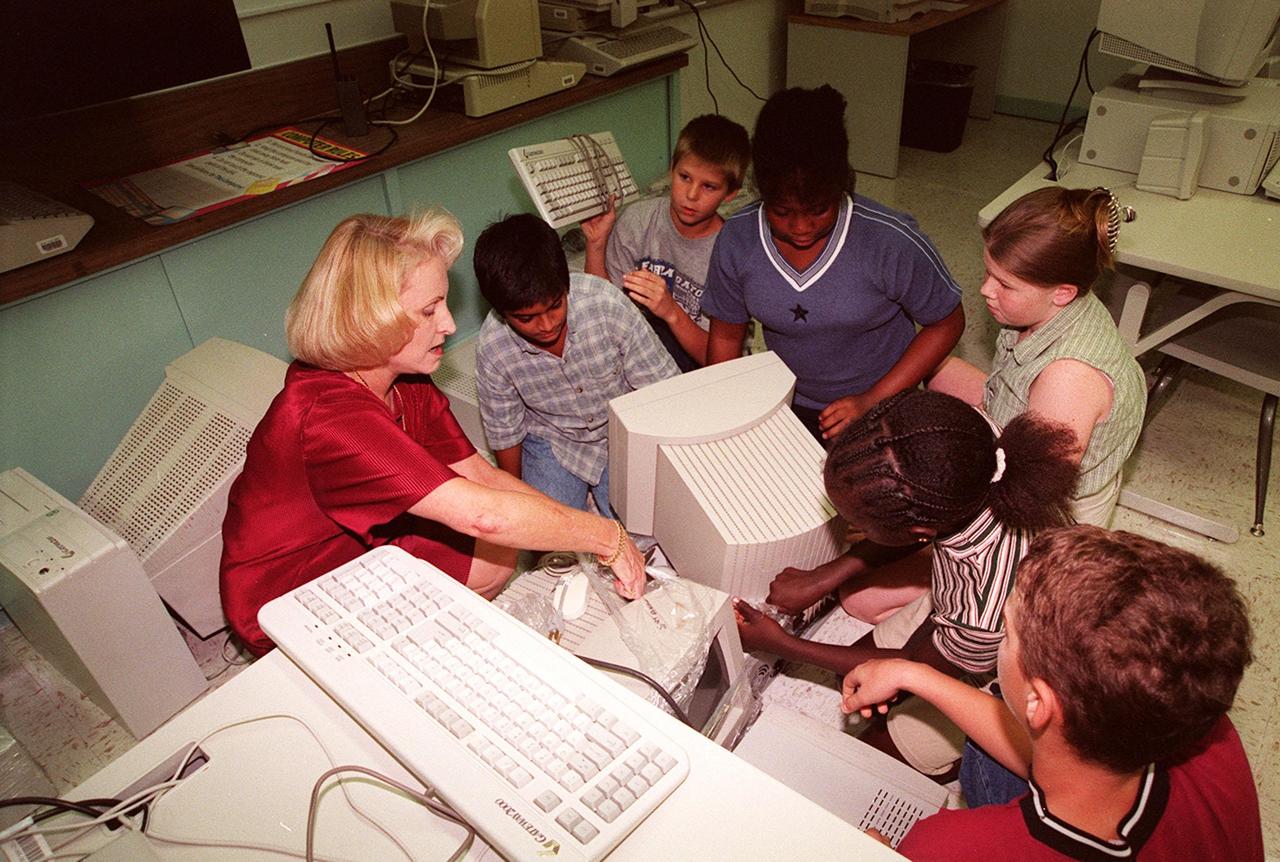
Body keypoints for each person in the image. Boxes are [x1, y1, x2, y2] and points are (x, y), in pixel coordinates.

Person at [220, 211, 647, 656]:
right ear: (373, 317)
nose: (448, 323)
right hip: (288, 593)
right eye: (429, 311)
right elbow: (482, 514)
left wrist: (593, 531)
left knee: (497, 553)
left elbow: (483, 479)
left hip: (360, 542)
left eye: (443, 303)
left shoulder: (404, 379)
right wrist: (605, 538)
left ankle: (417, 643)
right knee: (490, 536)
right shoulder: (329, 417)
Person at [842, 525, 1262, 860]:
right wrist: (914, 674)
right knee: (983, 751)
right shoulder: (1197, 718)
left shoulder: (951, 847)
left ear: (1039, 703)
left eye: (1007, 633)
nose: (1002, 638)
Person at [735, 390, 1077, 777]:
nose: (855, 532)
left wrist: (782, 645)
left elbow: (914, 667)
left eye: (862, 527)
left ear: (919, 531)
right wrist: (825, 576)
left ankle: (968, 759)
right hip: (958, 600)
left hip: (1005, 665)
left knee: (871, 759)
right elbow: (918, 527)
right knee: (850, 675)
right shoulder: (969, 442)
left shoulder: (983, 613)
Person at [701, 85, 965, 442]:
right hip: (785, 398)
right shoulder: (738, 239)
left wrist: (872, 399)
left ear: (841, 184)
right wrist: (725, 412)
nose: (801, 227)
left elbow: (947, 322)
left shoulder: (889, 240)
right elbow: (726, 333)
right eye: (782, 212)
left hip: (884, 400)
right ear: (761, 191)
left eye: (819, 210)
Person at [928, 186, 1146, 526]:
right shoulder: (1053, 307)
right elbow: (1006, 390)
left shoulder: (1069, 379)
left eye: (1005, 284)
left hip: (1048, 513)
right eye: (988, 272)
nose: (986, 289)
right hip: (1023, 424)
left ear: (1062, 293)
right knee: (925, 365)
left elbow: (1031, 493)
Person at [473, 213, 678, 515]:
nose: (546, 325)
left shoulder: (606, 304)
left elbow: (663, 389)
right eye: (526, 319)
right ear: (502, 312)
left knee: (640, 524)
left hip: (622, 429)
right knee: (549, 531)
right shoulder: (493, 347)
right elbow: (505, 432)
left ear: (566, 284)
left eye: (556, 306)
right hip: (553, 439)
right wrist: (515, 501)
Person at [581, 114, 751, 371]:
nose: (691, 195)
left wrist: (671, 311)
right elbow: (602, 310)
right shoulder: (638, 220)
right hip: (637, 353)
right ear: (671, 170)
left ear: (730, 193)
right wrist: (596, 244)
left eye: (709, 187)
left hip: (698, 369)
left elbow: (721, 365)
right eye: (684, 177)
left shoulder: (730, 252)